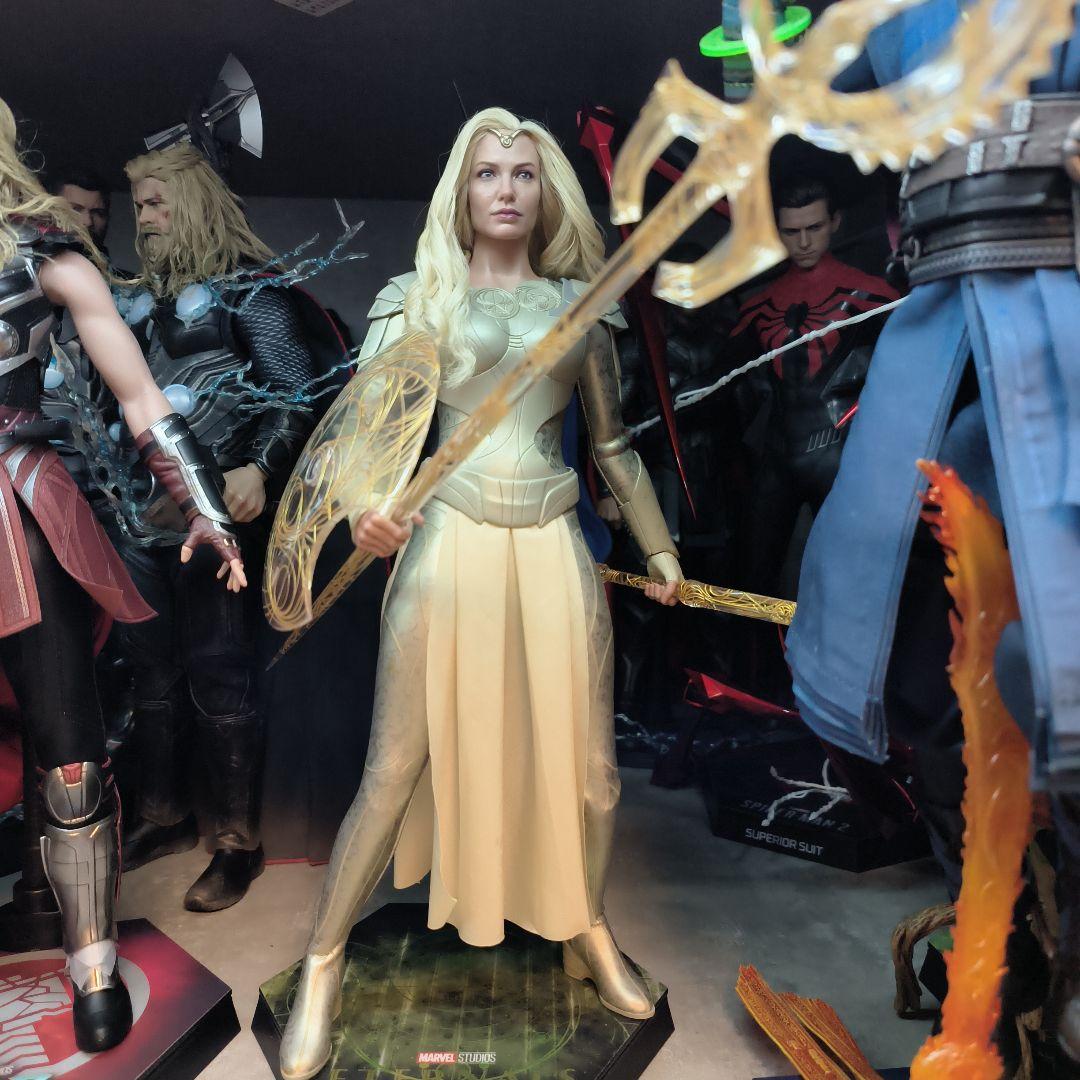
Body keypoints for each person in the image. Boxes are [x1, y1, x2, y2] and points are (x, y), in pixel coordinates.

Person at [278, 107, 683, 1080]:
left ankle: (586, 924)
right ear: (461, 192)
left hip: (552, 545)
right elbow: (363, 443)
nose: (506, 189)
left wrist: (661, 548)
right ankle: (324, 958)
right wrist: (370, 514)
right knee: (393, 768)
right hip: (447, 545)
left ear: (548, 192)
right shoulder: (414, 299)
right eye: (488, 172)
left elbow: (613, 447)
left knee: (594, 773)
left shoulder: (583, 308)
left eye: (524, 173)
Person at [785, 8, 1080, 1067]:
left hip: (1057, 337)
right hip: (950, 361)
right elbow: (805, 72)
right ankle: (1005, 978)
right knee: (949, 706)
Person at [0, 96, 244, 1053]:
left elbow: (140, 394)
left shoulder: (41, 256)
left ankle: (93, 961)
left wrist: (206, 506)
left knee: (69, 749)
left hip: (18, 501)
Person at [116, 143, 318, 912]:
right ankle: (165, 815)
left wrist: (258, 468)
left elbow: (296, 392)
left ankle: (237, 841)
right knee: (153, 678)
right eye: (140, 204)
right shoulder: (137, 303)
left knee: (220, 677)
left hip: (216, 518)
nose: (145, 217)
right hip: (143, 516)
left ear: (195, 201)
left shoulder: (249, 291)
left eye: (157, 201)